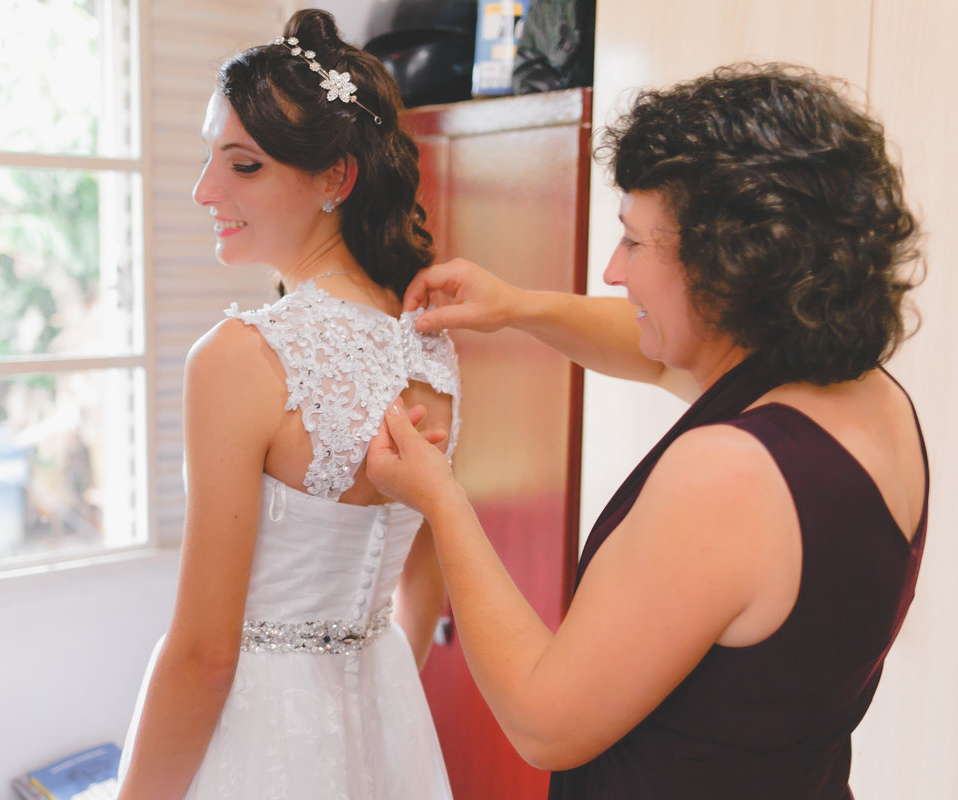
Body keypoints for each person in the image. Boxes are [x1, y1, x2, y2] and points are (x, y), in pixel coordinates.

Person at [367, 63, 927, 798]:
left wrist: (442, 502)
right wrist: (515, 307)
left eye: (633, 243)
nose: (612, 270)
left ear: (728, 266)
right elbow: (655, 350)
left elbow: (544, 721)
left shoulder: (729, 475)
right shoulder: (870, 397)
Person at [115, 9, 457, 800]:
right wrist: (377, 703)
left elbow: (205, 657)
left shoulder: (239, 358)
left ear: (336, 178)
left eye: (243, 165)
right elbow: (425, 570)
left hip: (259, 738)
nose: (204, 190)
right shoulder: (429, 345)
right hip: (385, 722)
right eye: (209, 155)